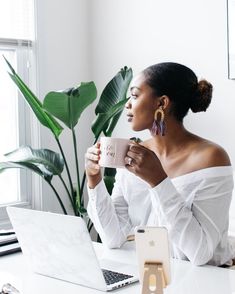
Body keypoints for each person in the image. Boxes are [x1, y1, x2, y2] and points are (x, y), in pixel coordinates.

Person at [85, 62, 235, 266]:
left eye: (135, 95)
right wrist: (94, 180)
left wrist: (158, 181)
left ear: (162, 103)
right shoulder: (133, 154)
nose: (127, 104)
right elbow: (113, 238)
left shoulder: (212, 157)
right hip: (150, 276)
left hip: (202, 282)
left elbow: (200, 254)